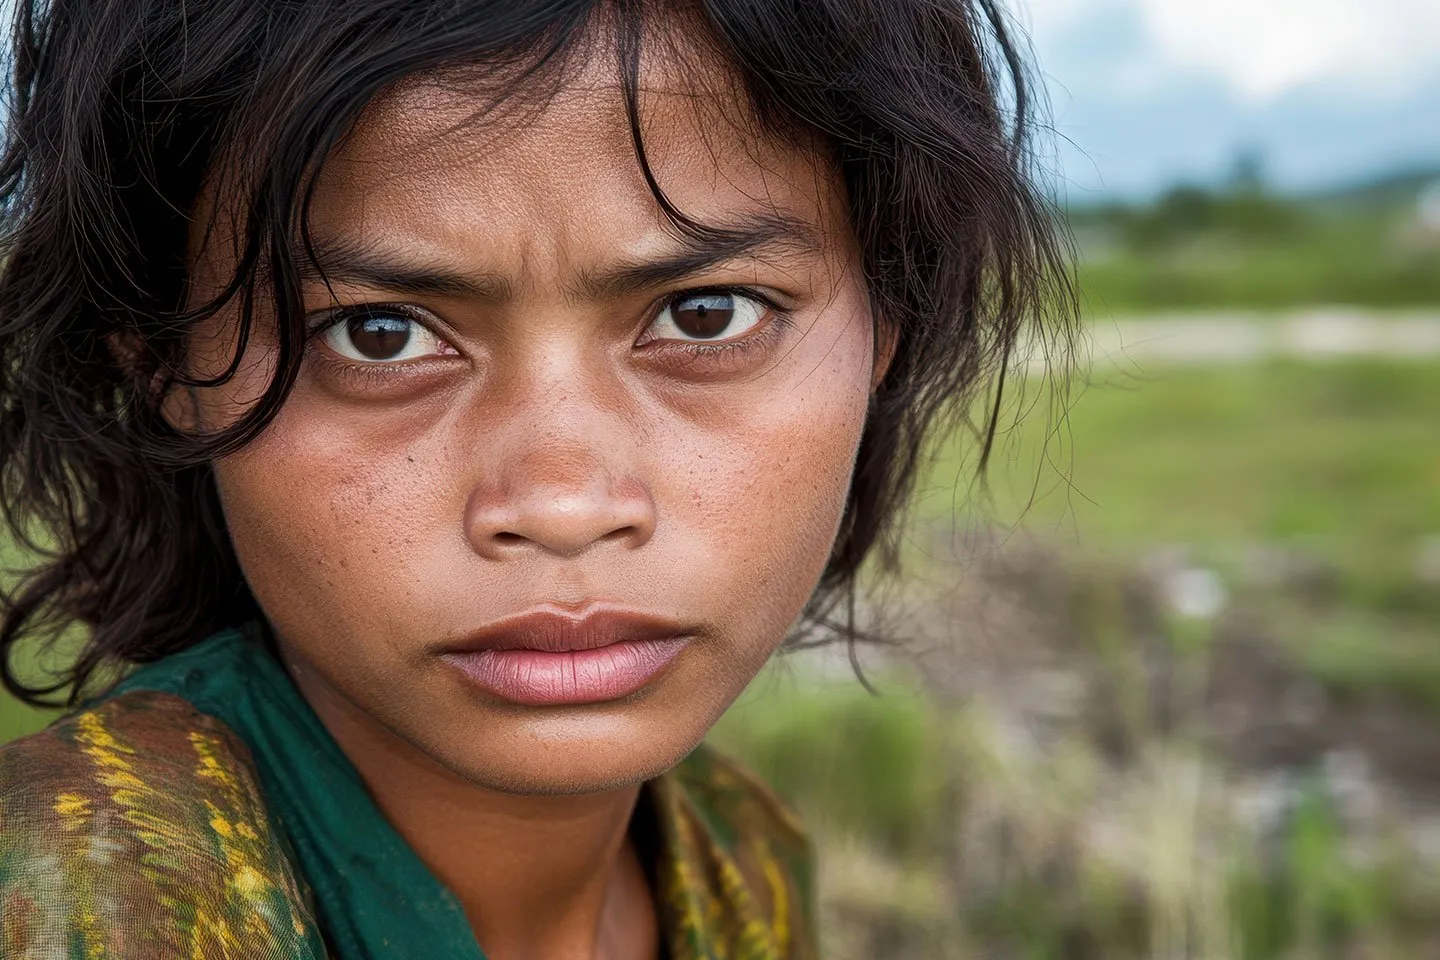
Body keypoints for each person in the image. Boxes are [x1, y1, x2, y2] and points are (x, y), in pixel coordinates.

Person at [0, 0, 1070, 956]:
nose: (563, 505)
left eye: (706, 314)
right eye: (377, 336)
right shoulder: (64, 901)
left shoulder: (740, 859)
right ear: (163, 366)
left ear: (890, 322)